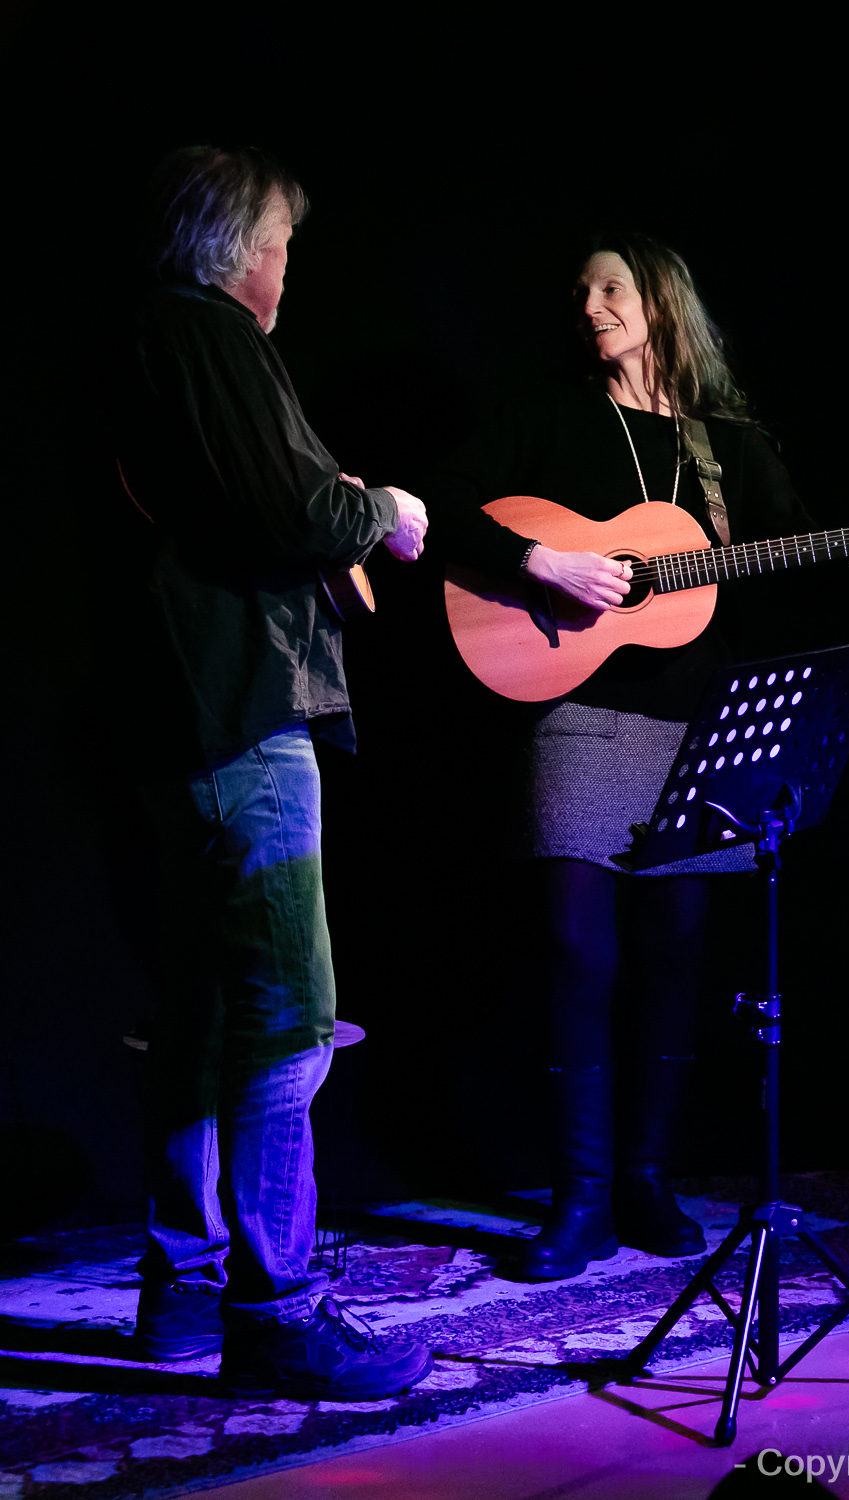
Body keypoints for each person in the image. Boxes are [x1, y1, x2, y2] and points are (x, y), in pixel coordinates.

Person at [422, 232, 849, 1280]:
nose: (589, 303)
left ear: (661, 305)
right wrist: (543, 557)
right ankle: (582, 1196)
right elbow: (445, 506)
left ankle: (646, 1179)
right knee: (578, 951)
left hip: (698, 724)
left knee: (676, 952)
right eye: (581, 289)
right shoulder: (545, 414)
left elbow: (795, 562)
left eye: (611, 287)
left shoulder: (726, 444)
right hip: (576, 715)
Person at [115, 146, 434, 1399]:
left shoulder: (149, 343)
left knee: (197, 1017)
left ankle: (184, 1294)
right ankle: (278, 1307)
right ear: (238, 246)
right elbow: (291, 508)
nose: (288, 269)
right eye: (283, 245)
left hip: (180, 717)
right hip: (242, 714)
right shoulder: (209, 336)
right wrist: (382, 512)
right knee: (284, 1020)